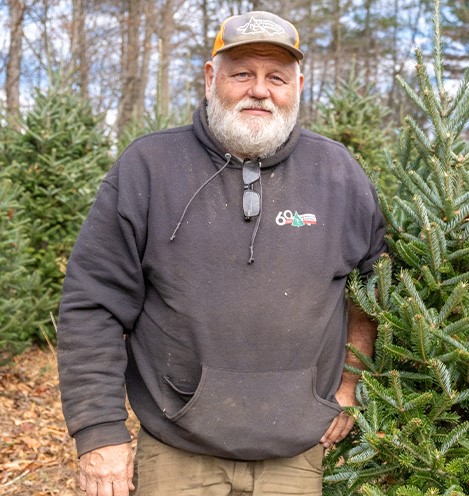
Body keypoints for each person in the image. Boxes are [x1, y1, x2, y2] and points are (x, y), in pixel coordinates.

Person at [57, 10, 386, 496]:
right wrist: (99, 433)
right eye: (242, 74)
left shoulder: (337, 173)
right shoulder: (148, 167)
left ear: (298, 85)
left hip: (299, 454)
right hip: (177, 450)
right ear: (212, 78)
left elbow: (373, 292)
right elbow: (93, 306)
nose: (260, 89)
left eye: (276, 77)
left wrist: (349, 387)